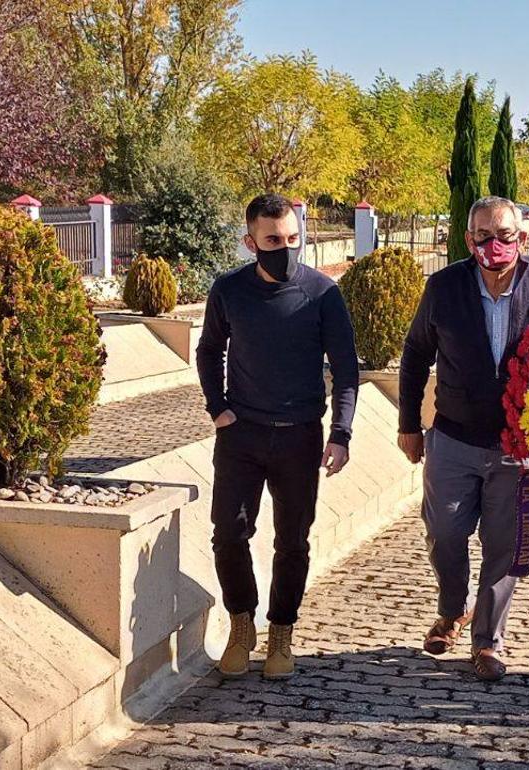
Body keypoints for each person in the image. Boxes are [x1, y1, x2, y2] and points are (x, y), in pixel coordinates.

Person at [398, 196, 529, 681]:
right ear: (468, 239)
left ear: (524, 237)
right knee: (445, 535)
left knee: (504, 546)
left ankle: (488, 642)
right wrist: (409, 424)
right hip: (452, 436)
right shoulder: (444, 286)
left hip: (518, 446)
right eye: (483, 237)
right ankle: (453, 609)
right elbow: (414, 358)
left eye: (505, 236)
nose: (495, 246)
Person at [196, 193, 359, 679]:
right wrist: (218, 408)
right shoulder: (228, 291)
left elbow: (346, 370)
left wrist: (341, 433)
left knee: (293, 541)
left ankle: (281, 634)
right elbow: (208, 351)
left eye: (293, 239)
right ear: (251, 243)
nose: (285, 249)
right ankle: (241, 625)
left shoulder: (324, 293)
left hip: (300, 437)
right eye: (272, 240)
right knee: (229, 533)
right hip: (241, 438)